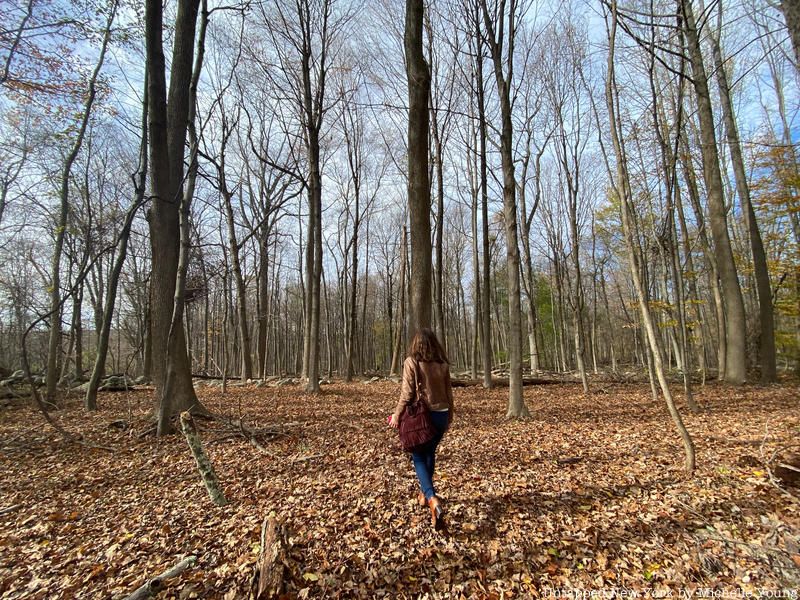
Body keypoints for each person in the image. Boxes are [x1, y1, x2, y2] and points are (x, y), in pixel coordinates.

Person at [389, 328, 454, 528]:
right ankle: (424, 494)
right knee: (429, 454)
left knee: (417, 456)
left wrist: (397, 415)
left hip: (424, 416)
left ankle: (431, 498)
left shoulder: (411, 362)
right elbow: (449, 393)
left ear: (415, 345)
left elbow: (407, 394)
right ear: (434, 344)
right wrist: (449, 415)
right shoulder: (442, 364)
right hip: (442, 414)